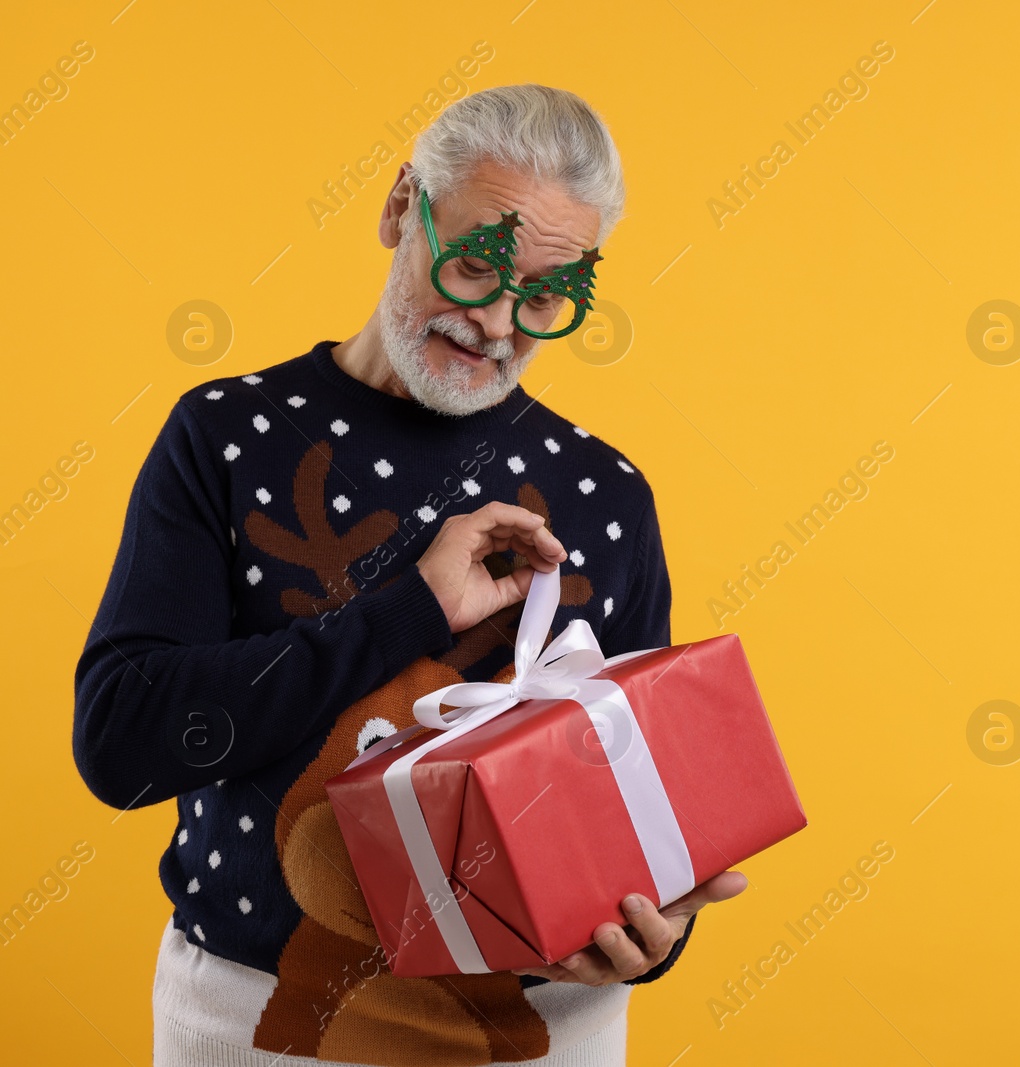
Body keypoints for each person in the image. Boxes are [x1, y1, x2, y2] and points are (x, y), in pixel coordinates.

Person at [72, 83, 746, 1067]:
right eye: (476, 263)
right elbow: (123, 745)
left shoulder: (606, 494)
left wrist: (654, 938)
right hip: (260, 1021)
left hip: (537, 1035)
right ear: (400, 208)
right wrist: (410, 608)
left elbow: (644, 817)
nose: (496, 322)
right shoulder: (225, 435)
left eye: (545, 295)